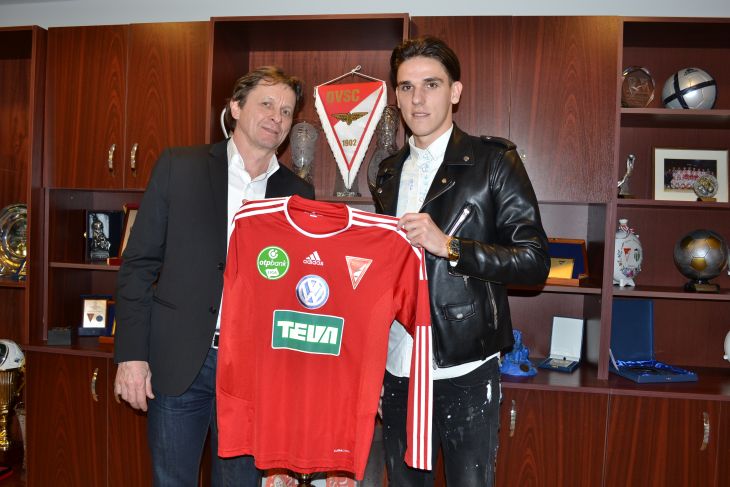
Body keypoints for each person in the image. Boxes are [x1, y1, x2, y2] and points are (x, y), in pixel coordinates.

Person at [113, 66, 315, 487]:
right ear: (236, 107)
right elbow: (138, 265)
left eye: (286, 111)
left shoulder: (298, 193)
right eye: (266, 104)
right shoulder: (179, 166)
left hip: (253, 370)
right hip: (179, 361)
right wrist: (131, 356)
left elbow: (297, 291)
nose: (277, 117)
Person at [371, 36, 550, 486]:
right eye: (406, 87)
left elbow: (534, 261)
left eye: (431, 84)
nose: (418, 98)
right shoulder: (387, 172)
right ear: (397, 96)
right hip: (397, 365)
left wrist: (450, 246)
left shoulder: (494, 161)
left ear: (455, 92)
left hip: (465, 367)